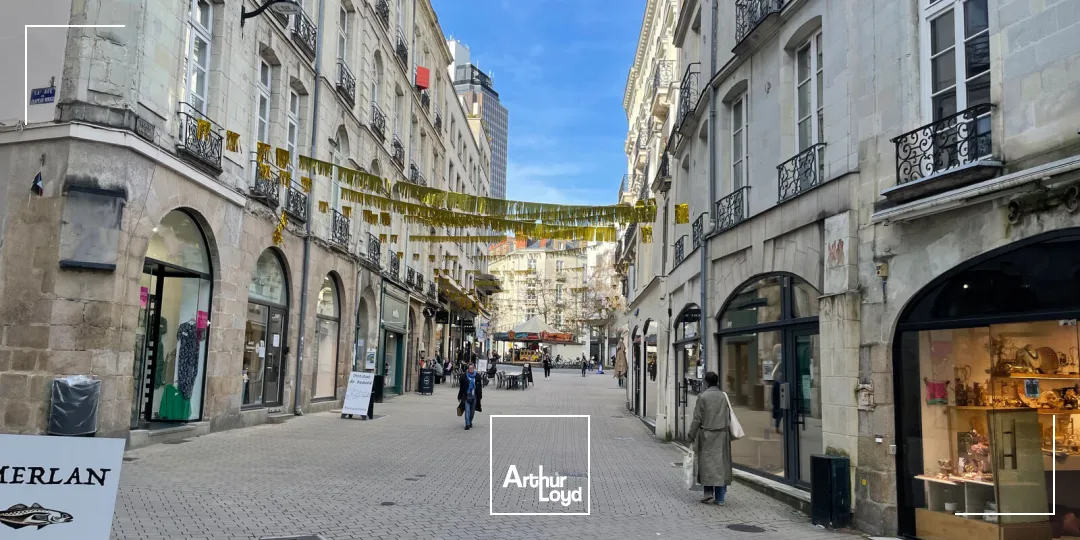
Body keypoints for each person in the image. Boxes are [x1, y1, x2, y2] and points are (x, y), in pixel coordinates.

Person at [688, 372, 734, 506]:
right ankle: (720, 498)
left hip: (707, 434)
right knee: (721, 465)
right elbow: (728, 415)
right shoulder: (723, 396)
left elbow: (697, 418)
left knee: (707, 464)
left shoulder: (703, 397)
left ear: (706, 382)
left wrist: (691, 434)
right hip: (722, 435)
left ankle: (708, 493)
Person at [457, 363, 483, 430]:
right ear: (468, 369)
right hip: (466, 396)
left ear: (474, 369)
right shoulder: (464, 376)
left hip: (474, 396)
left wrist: (480, 396)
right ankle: (467, 424)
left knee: (472, 411)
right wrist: (460, 396)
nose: (471, 369)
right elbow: (461, 388)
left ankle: (470, 421)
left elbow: (479, 387)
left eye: (472, 368)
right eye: (470, 368)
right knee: (467, 411)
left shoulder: (477, 376)